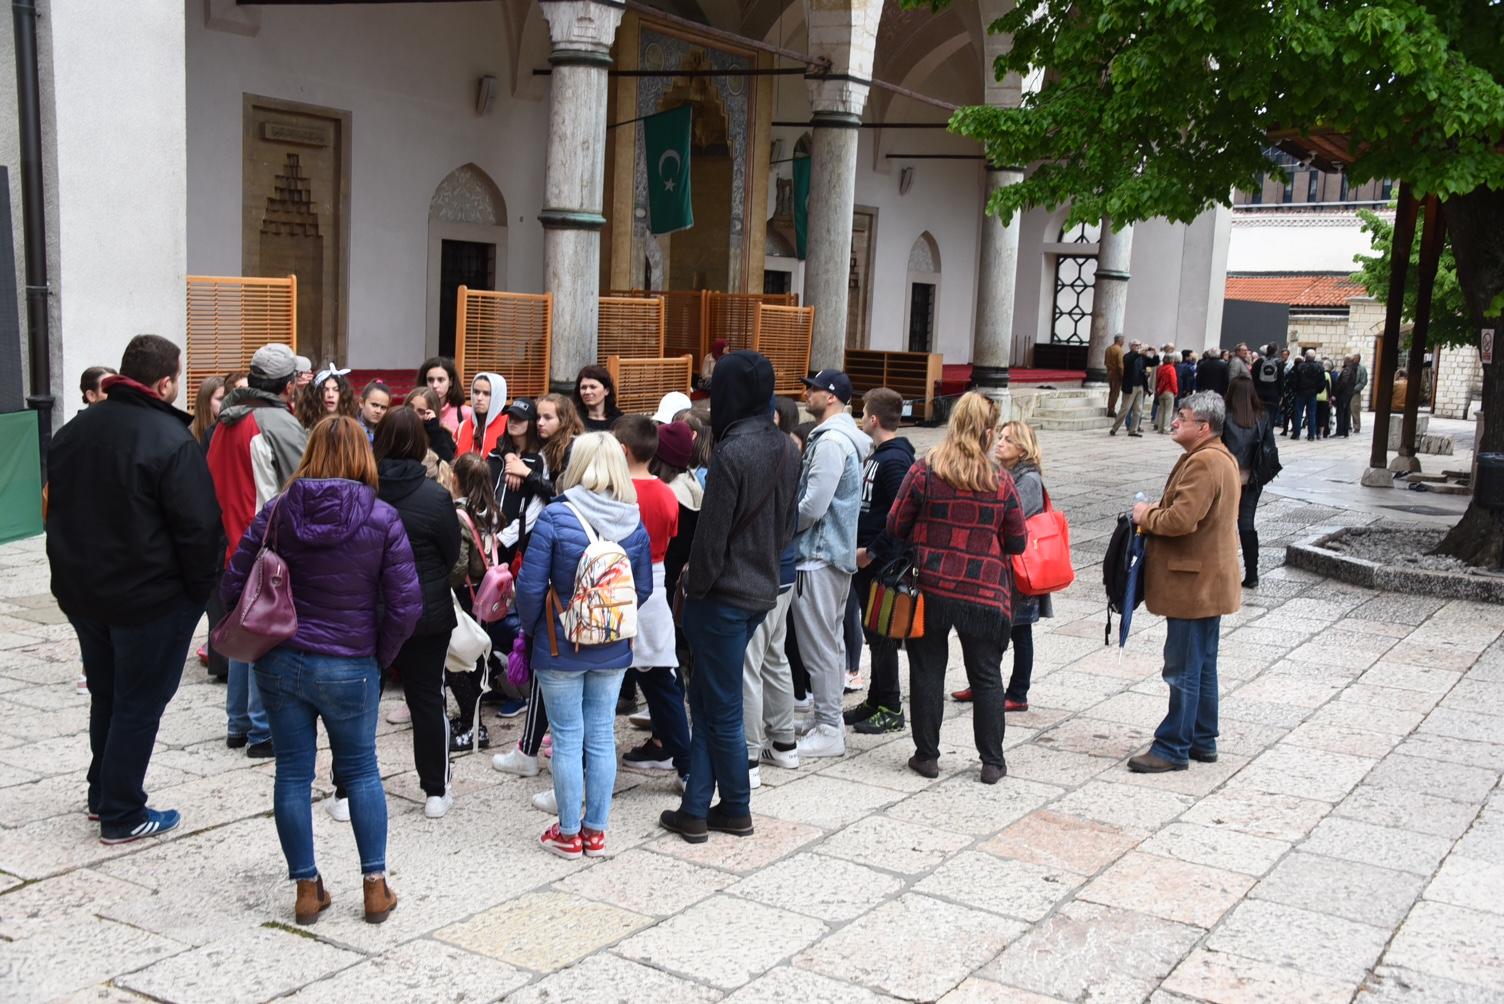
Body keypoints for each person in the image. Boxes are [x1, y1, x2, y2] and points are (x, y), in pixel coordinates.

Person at [223, 415, 421, 925]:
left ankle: (307, 889)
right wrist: (379, 655)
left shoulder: (277, 513)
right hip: (351, 662)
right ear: (363, 454)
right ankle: (375, 888)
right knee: (361, 771)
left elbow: (231, 583)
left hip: (282, 659)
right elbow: (406, 605)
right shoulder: (382, 518)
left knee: (292, 772)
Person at [48, 335, 221, 844]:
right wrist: (197, 592)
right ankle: (123, 810)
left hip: (86, 592)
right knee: (139, 701)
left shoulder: (73, 431)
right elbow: (199, 530)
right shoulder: (170, 441)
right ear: (165, 382)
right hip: (149, 599)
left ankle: (102, 792)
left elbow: (57, 511)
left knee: (108, 691)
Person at [660, 351, 800, 844]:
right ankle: (696, 807)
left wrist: (693, 590)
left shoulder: (733, 451)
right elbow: (787, 524)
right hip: (762, 587)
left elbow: (712, 537)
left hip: (721, 594)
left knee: (719, 705)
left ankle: (736, 805)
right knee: (707, 697)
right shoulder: (788, 446)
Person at [515, 433, 652, 859]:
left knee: (568, 737)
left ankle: (568, 833)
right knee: (601, 736)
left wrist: (540, 628)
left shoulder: (557, 516)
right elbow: (641, 589)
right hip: (612, 646)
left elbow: (530, 588)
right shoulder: (633, 519)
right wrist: (605, 621)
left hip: (561, 645)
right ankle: (596, 832)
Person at [887, 392, 1027, 784]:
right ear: (986, 431)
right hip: (982, 593)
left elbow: (895, 525)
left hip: (930, 587)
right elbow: (1017, 541)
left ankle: (927, 756)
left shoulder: (924, 470)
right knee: (986, 675)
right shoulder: (1000, 481)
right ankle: (992, 762)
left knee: (927, 670)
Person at [1128, 391, 1240, 773]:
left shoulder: (1206, 462)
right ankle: (1202, 738)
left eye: (1183, 417)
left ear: (1203, 427)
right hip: (1208, 580)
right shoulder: (1213, 456)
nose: (1175, 421)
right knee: (1203, 664)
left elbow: (1181, 520)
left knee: (1183, 668)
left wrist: (1146, 515)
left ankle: (1173, 746)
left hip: (1194, 584)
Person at [206, 344, 309, 759]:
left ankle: (238, 724)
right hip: (262, 541)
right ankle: (262, 731)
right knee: (263, 634)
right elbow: (304, 483)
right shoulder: (277, 424)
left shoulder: (227, 421)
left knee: (241, 630)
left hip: (228, 540)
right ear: (288, 386)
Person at [373, 408, 461, 818]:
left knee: (360, 700)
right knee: (427, 698)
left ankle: (344, 787)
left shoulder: (362, 490)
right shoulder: (436, 495)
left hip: (371, 610)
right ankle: (436, 790)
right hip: (426, 609)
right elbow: (449, 555)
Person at [491, 393, 585, 776]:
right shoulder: (546, 452)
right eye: (539, 417)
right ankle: (534, 744)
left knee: (548, 653)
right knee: (550, 658)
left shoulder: (569, 452)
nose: (540, 423)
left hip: (560, 556)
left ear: (565, 419)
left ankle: (533, 748)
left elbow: (558, 498)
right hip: (550, 550)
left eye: (548, 417)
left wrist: (529, 474)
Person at [790, 368, 871, 760]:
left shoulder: (830, 442)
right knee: (830, 643)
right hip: (832, 554)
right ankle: (830, 719)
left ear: (833, 397)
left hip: (817, 555)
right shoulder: (842, 438)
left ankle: (827, 728)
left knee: (819, 646)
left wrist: (782, 526)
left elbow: (812, 505)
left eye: (814, 390)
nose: (808, 394)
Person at [613, 417, 689, 781]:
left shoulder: (613, 491)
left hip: (613, 583)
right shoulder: (666, 494)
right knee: (661, 679)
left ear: (623, 450)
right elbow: (671, 535)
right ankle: (686, 764)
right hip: (655, 585)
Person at [845, 388, 915, 735]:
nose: (860, 418)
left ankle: (890, 705)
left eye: (863, 413)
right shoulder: (879, 454)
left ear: (874, 419)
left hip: (882, 564)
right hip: (868, 561)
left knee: (883, 635)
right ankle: (876, 698)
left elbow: (900, 515)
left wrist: (872, 550)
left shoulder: (896, 460)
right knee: (873, 633)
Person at [447, 452, 505, 753]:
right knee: (473, 659)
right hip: (483, 595)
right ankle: (472, 718)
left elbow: (459, 567)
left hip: (466, 596)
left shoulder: (459, 516)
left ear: (457, 479)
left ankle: (473, 727)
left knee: (457, 662)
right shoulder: (489, 511)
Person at [1222, 376, 1275, 589]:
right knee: (1246, 524)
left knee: (1223, 524)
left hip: (1227, 478)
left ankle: (1224, 572)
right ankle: (1252, 573)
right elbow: (1269, 446)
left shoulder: (1224, 418)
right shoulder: (1262, 416)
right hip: (1252, 478)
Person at [454, 371, 508, 457]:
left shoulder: (508, 425)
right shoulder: (463, 426)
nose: (479, 398)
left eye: (486, 393)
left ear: (497, 396)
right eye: (476, 392)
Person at [418, 356, 472, 436]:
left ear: (450, 381)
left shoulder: (467, 413)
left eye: (440, 380)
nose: (435, 385)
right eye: (430, 380)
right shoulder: (417, 411)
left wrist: (453, 434)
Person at [405, 386, 457, 465]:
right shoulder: (396, 427)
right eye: (410, 407)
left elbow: (448, 463)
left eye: (421, 411)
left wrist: (433, 429)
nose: (413, 413)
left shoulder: (440, 435)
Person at [295, 364, 358, 428]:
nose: (330, 395)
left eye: (336, 389)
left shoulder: (352, 426)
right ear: (316, 395)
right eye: (325, 390)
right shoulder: (303, 425)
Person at [1110, 340, 1147, 436]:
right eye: (1136, 345)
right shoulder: (1127, 356)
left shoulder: (1141, 357)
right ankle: (1114, 428)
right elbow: (1128, 361)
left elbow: (1152, 362)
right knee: (1125, 409)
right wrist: (1138, 353)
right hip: (1130, 387)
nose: (1139, 346)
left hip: (1140, 386)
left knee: (1138, 409)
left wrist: (1154, 353)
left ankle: (1133, 430)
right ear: (1131, 346)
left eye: (1139, 345)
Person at [574, 365, 623, 433]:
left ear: (606, 391)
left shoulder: (619, 420)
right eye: (583, 387)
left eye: (593, 387)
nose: (587, 392)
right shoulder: (573, 419)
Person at [1289, 349, 1324, 441]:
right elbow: (1322, 382)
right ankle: (1311, 435)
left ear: (1305, 356)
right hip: (1312, 392)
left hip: (1301, 392)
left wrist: (1295, 389)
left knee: (1298, 413)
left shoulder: (1300, 366)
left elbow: (1294, 380)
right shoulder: (1319, 367)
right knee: (1312, 414)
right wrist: (1318, 390)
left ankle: (1296, 434)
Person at [1252, 344, 1285, 426]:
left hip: (1260, 392)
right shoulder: (1279, 362)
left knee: (1259, 414)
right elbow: (1281, 380)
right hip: (1273, 393)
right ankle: (1269, 434)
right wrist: (1281, 394)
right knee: (1271, 415)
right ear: (1276, 351)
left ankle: (1259, 433)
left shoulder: (1259, 361)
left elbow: (1253, 377)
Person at [190, 375, 226, 448]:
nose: (226, 403)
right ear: (206, 402)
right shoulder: (188, 435)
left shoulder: (229, 430)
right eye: (220, 399)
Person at [1154, 346, 1179, 434]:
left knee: (1161, 410)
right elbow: (1173, 381)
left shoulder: (1160, 368)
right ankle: (1166, 428)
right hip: (1169, 391)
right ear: (1171, 360)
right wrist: (1175, 391)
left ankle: (1160, 428)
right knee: (1168, 411)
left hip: (1160, 391)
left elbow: (1157, 379)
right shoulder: (1171, 369)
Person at [1333, 355, 1358, 438]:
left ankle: (1340, 431)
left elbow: (1344, 382)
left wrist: (1337, 391)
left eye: (1344, 360)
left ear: (1347, 361)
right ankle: (1345, 431)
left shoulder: (1347, 370)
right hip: (1349, 393)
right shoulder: (1353, 369)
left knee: (1341, 412)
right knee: (1346, 412)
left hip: (1343, 394)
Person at [1104, 334, 1125, 417]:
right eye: (1123, 341)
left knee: (1111, 391)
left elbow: (1105, 362)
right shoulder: (1119, 350)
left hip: (1109, 372)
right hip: (1116, 374)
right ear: (1119, 341)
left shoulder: (1108, 349)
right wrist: (1122, 375)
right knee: (1115, 393)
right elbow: (1120, 365)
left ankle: (1110, 407)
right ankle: (1111, 410)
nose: (1123, 342)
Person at [1349, 353, 1368, 433]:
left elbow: (1363, 381)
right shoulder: (1349, 367)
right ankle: (1347, 426)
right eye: (1353, 358)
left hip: (1355, 392)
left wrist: (1355, 388)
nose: (1354, 359)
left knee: (1355, 409)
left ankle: (1356, 426)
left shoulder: (1362, 369)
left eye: (1356, 358)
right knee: (1347, 409)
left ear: (1359, 359)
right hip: (1347, 391)